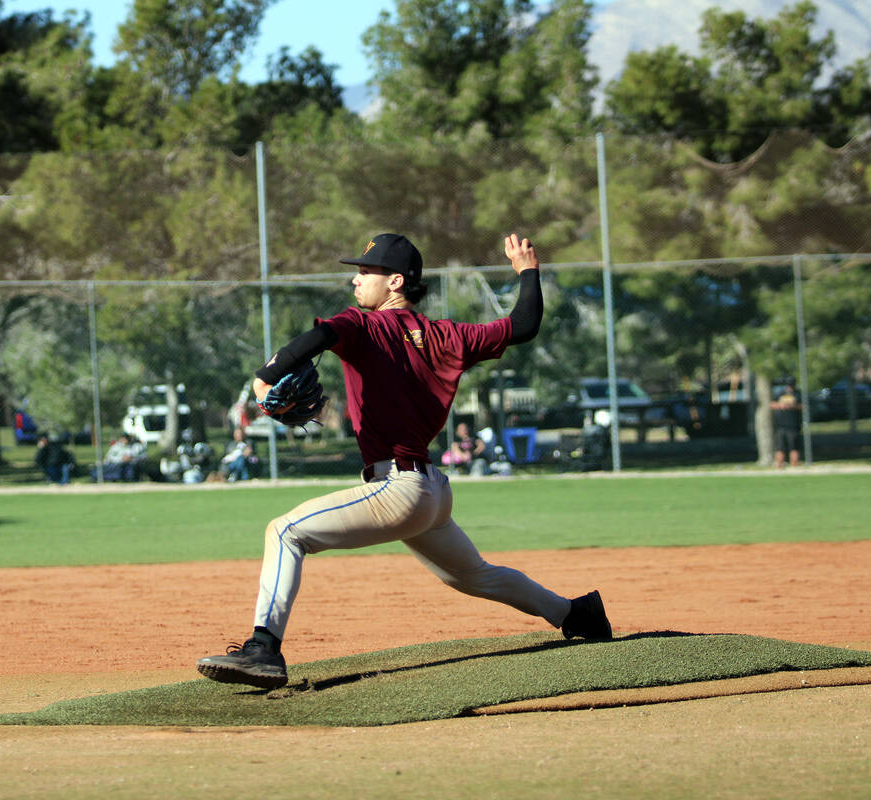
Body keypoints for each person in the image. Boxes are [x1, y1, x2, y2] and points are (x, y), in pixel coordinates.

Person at [196, 232, 612, 690]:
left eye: (365, 272)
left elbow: (319, 336)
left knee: (285, 532)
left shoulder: (363, 326)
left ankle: (263, 649)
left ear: (395, 281)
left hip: (397, 488)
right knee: (474, 575)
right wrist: (527, 271)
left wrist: (265, 378)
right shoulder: (449, 335)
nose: (356, 281)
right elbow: (523, 325)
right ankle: (578, 613)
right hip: (432, 493)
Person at [770, 378, 803, 468]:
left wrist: (793, 405)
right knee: (780, 447)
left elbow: (803, 406)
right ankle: (779, 465)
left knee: (794, 446)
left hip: (793, 424)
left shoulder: (798, 394)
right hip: (781, 425)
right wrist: (781, 405)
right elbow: (772, 404)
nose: (790, 386)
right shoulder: (780, 393)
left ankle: (794, 465)